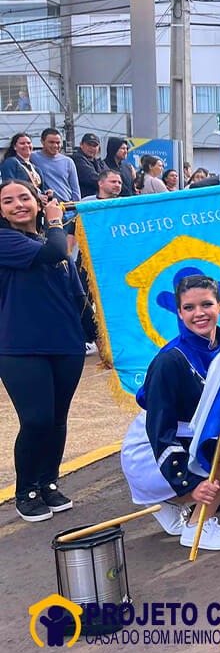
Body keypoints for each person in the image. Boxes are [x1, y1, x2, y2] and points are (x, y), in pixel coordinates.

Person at [120, 275, 220, 548]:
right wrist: (188, 482)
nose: (199, 313)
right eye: (189, 308)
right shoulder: (170, 360)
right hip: (154, 452)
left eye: (206, 304)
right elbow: (159, 430)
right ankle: (198, 526)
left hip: (197, 441)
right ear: (179, 312)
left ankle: (173, 502)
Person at [0, 180, 87, 521]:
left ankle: (49, 482)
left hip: (65, 344)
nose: (18, 204)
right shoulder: (7, 240)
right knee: (35, 420)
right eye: (8, 201)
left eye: (24, 197)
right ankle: (27, 490)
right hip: (21, 347)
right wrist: (54, 221)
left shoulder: (46, 239)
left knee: (56, 419)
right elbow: (54, 252)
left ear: (37, 201)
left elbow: (77, 294)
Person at [30, 128, 81, 202]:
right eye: (51, 142)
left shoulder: (68, 161)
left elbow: (75, 189)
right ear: (42, 142)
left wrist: (75, 206)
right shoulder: (32, 157)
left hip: (67, 205)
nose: (55, 145)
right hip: (46, 205)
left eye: (58, 143)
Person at [71, 133, 104, 198]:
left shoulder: (98, 162)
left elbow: (109, 175)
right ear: (81, 145)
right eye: (89, 145)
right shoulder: (77, 159)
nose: (91, 148)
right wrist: (107, 183)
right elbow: (92, 178)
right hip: (83, 200)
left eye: (94, 146)